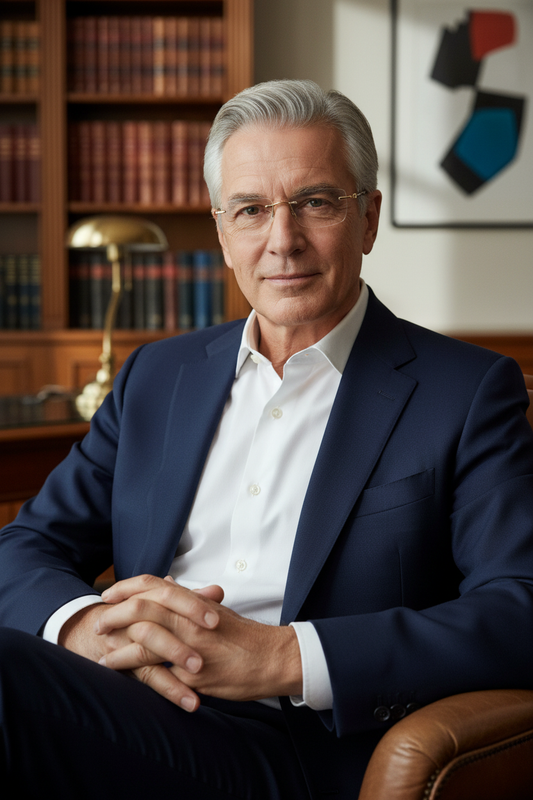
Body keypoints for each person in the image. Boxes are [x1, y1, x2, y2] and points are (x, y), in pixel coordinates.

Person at [1, 79, 533, 799]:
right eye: (250, 211)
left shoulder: (465, 391)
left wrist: (286, 658)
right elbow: (26, 546)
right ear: (222, 232)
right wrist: (83, 627)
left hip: (302, 748)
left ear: (367, 219)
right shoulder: (158, 376)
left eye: (315, 203)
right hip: (134, 707)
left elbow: (518, 606)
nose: (282, 242)